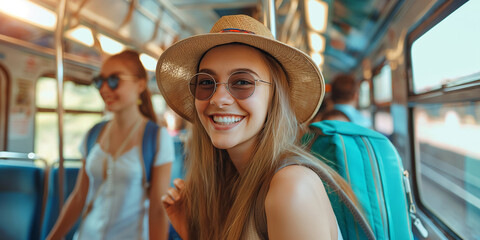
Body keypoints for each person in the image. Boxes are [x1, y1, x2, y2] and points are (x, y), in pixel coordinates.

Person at [158, 15, 358, 239]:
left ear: (274, 97)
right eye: (206, 83)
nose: (218, 99)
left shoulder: (291, 188)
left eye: (242, 82)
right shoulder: (232, 183)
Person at [47, 50, 174, 240]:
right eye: (100, 81)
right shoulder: (94, 134)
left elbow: (157, 210)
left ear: (140, 84)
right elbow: (80, 196)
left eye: (114, 80)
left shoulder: (156, 138)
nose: (104, 89)